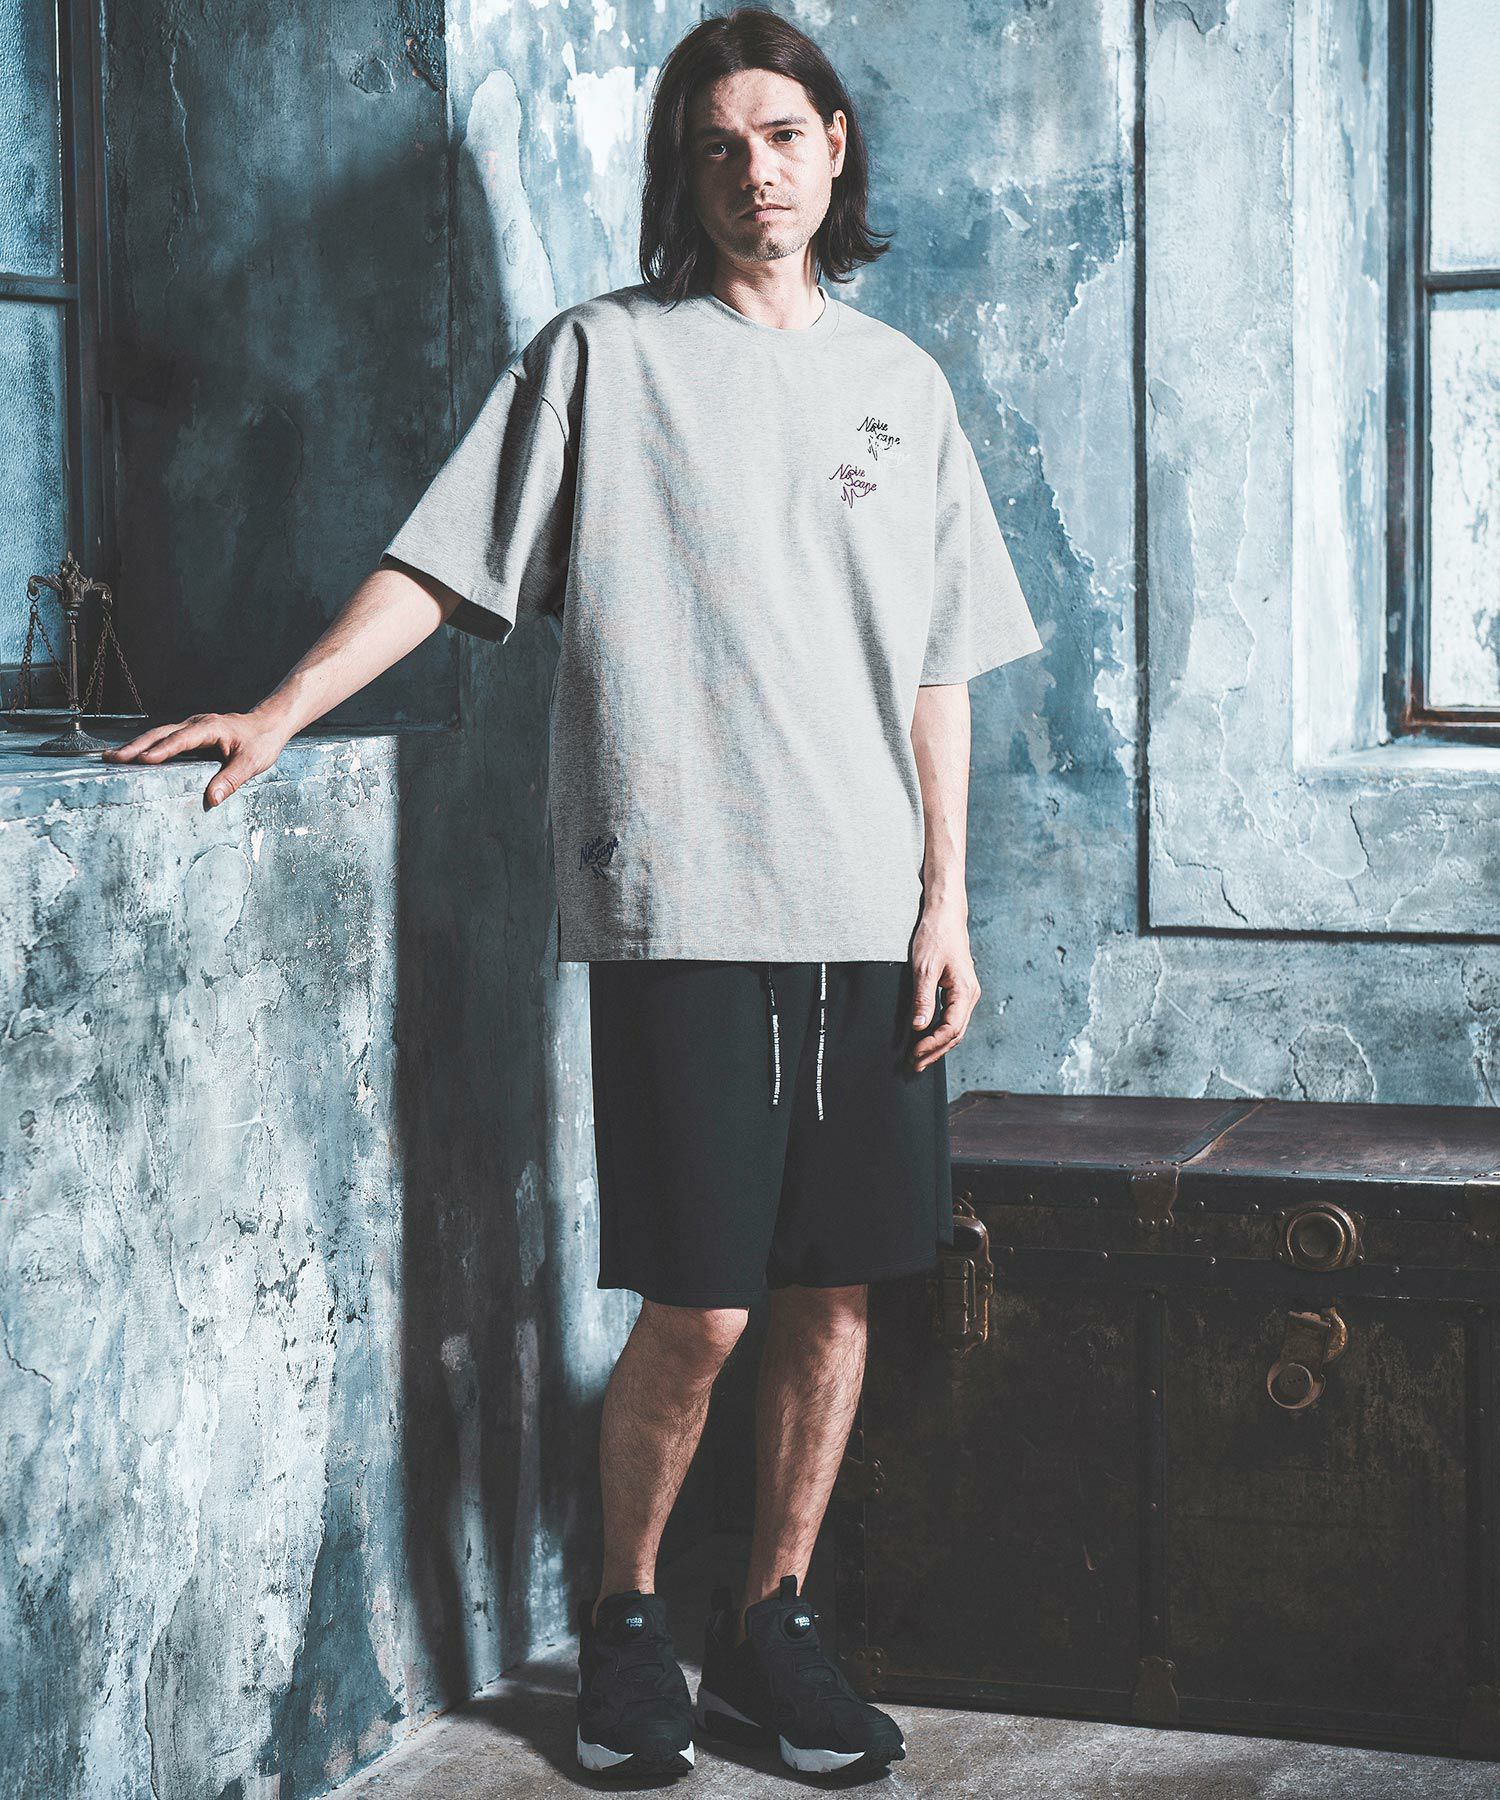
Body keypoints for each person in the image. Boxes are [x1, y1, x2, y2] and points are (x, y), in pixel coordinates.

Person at [105, 7, 1042, 1785]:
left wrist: (949, 903)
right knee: (704, 1304)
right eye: (720, 144)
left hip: (870, 914)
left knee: (838, 1292)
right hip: (681, 897)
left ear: (835, 148)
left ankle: (773, 1622)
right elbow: (440, 563)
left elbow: (941, 669)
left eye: (784, 135)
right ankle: (627, 1618)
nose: (756, 170)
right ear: (687, 171)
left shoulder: (901, 388)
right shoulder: (603, 358)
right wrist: (282, 706)